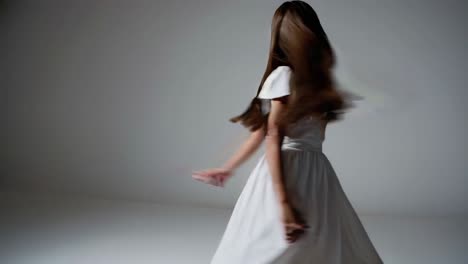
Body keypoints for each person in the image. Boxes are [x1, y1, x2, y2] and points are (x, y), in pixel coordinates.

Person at [192, 1, 384, 263]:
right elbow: (269, 134)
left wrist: (228, 168)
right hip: (297, 171)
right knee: (296, 244)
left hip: (305, 170)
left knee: (294, 244)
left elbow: (266, 132)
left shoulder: (309, 81)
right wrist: (281, 201)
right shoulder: (287, 77)